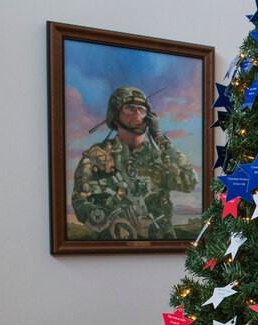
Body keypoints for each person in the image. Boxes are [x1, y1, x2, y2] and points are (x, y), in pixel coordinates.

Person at [71, 87, 197, 240]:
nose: (138, 114)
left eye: (142, 110)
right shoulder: (97, 156)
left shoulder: (161, 156)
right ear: (115, 115)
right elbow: (80, 201)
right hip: (112, 248)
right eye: (130, 108)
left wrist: (160, 139)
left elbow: (190, 182)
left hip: (161, 247)